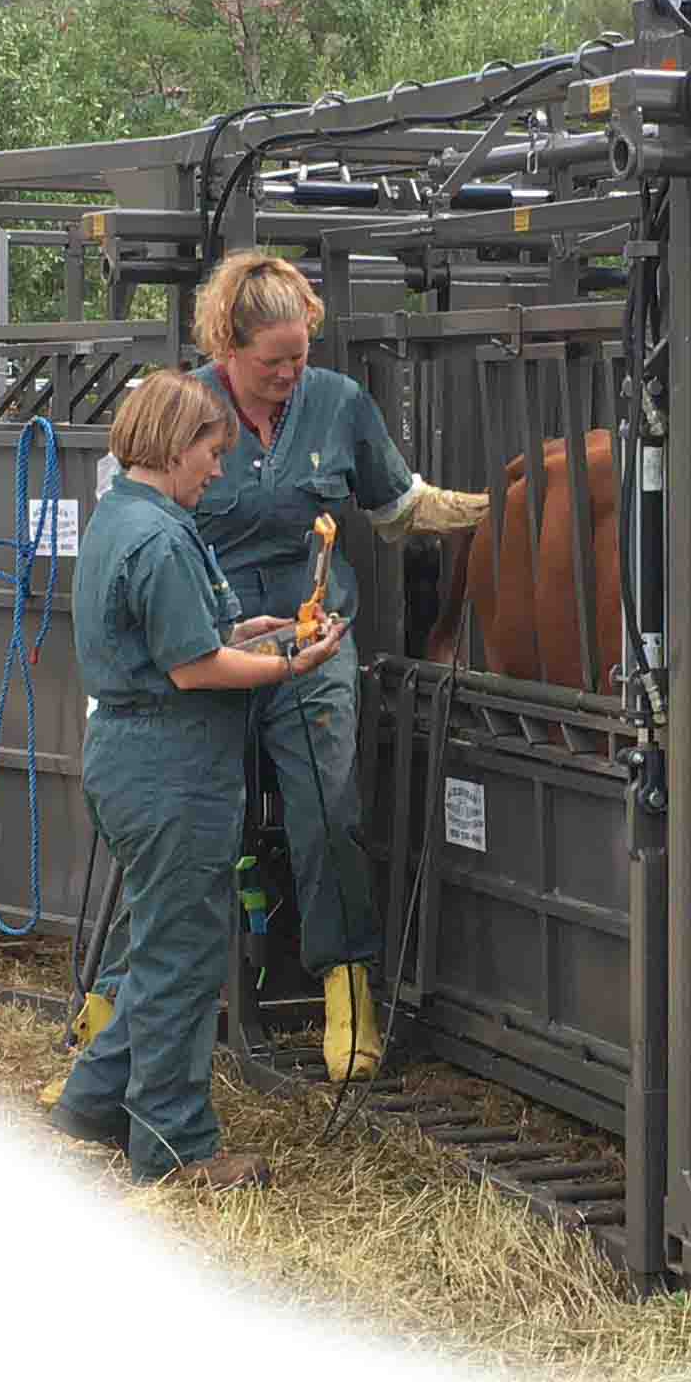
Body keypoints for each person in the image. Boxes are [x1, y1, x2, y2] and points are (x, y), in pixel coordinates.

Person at [191, 251, 489, 1082]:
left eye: (301, 356)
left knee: (328, 808)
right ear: (228, 344)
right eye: (271, 361)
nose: (290, 373)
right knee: (194, 814)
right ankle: (146, 995)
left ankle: (346, 982)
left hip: (312, 635)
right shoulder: (184, 405)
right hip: (209, 637)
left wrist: (490, 508)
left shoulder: (338, 404)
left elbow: (396, 507)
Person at [50, 368, 348, 1188]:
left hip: (135, 759)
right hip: (172, 769)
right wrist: (293, 662)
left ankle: (94, 1100)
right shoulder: (161, 537)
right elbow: (194, 668)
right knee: (182, 963)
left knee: (160, 948)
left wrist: (261, 627)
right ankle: (175, 1148)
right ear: (176, 448)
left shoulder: (125, 518)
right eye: (212, 453)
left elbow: (188, 634)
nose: (218, 470)